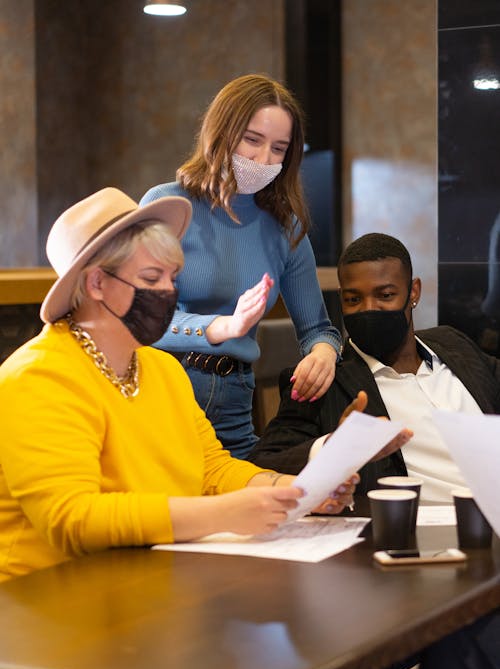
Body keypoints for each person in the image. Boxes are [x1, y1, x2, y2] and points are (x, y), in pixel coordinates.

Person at [0, 188, 357, 583]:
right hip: (47, 604)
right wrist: (227, 513)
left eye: (172, 278)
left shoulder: (162, 369)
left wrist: (297, 492)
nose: (169, 294)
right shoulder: (40, 376)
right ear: (97, 283)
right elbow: (73, 518)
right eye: (152, 278)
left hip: (147, 586)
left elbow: (212, 469)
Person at [140, 73, 342, 460]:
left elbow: (318, 329)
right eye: (252, 140)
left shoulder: (286, 225)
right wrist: (220, 328)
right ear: (221, 131)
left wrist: (323, 354)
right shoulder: (165, 205)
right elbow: (139, 318)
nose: (264, 159)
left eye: (279, 148)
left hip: (235, 400)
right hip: (165, 388)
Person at [250, 232, 500, 503]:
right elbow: (262, 465)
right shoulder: (326, 383)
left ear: (413, 292)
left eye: (385, 295)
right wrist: (336, 447)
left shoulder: (453, 344)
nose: (369, 309)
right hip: (425, 530)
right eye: (354, 299)